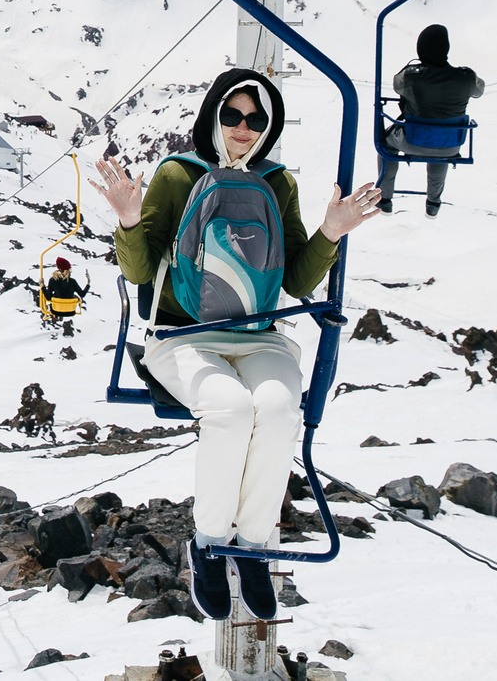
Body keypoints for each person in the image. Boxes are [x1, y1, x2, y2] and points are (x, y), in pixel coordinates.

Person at [95, 68, 382, 625]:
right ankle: (208, 543)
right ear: (213, 116)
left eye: (256, 118)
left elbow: (294, 281)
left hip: (259, 334)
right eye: (232, 115)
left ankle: (251, 547)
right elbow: (140, 271)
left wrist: (330, 233)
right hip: (183, 335)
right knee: (228, 409)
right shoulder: (178, 175)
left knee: (276, 408)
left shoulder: (278, 183)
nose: (243, 127)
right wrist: (130, 219)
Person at [379, 23, 484, 217]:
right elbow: (479, 90)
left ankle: (384, 199)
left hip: (412, 141)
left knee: (386, 145)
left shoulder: (412, 77)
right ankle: (433, 203)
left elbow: (397, 84)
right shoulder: (466, 77)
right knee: (442, 139)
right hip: (451, 146)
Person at [41, 256, 84, 336]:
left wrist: (42, 287)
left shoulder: (53, 280)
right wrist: (88, 284)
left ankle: (55, 316)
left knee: (55, 296)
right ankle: (59, 315)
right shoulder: (72, 281)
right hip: (70, 310)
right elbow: (82, 294)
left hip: (56, 309)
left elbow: (48, 297)